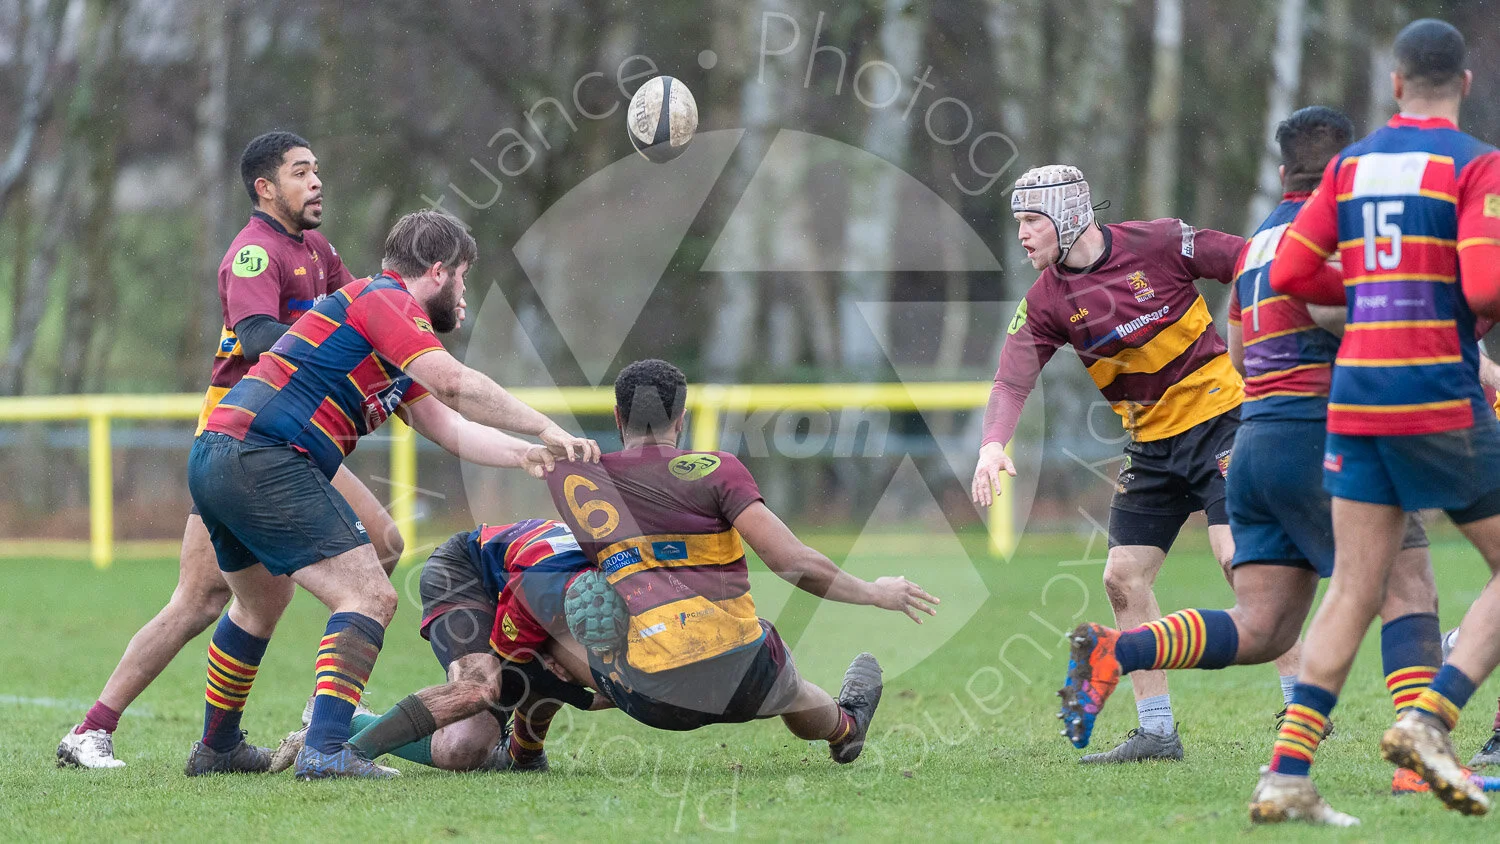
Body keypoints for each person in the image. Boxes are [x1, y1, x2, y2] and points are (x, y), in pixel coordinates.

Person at [1056, 106, 1446, 795]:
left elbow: (1239, 349)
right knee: (1406, 588)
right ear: (1349, 170)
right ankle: (1417, 769)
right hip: (1323, 435)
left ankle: (1126, 649)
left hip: (1256, 440)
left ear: (1280, 170)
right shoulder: (1345, 230)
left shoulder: (1263, 241)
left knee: (1263, 625)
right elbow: (1375, 322)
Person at [183, 209, 600, 780]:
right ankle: (326, 751)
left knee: (256, 605)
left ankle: (218, 747)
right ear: (437, 271)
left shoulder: (386, 339)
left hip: (219, 453)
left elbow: (451, 425)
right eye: (463, 278)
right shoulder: (382, 299)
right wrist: (546, 426)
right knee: (370, 598)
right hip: (266, 454)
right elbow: (457, 383)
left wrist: (526, 453)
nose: (463, 296)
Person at [57, 131, 404, 770]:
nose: (317, 182)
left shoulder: (318, 249)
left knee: (272, 591)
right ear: (265, 188)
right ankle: (92, 731)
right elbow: (258, 335)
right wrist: (339, 352)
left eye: (318, 170)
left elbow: (362, 315)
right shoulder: (252, 253)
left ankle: (229, 742)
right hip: (239, 440)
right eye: (302, 173)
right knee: (201, 599)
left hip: (283, 443)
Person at [1246, 19, 1500, 824]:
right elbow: (1487, 289)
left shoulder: (1351, 166)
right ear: (1463, 84)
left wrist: (1369, 290)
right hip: (1434, 395)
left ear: (1394, 84)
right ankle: (1430, 718)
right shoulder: (1474, 164)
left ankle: (1286, 778)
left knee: (1353, 589)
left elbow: (1290, 271)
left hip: (1353, 400)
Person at [971, 165, 1289, 763]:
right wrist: (993, 444)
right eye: (1018, 224)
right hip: (1150, 447)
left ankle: (1302, 708)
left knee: (1238, 561)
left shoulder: (1161, 242)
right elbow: (1010, 382)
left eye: (1031, 222)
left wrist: (1267, 339)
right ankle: (1157, 731)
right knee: (1122, 578)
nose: (1022, 236)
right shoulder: (1045, 301)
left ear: (1067, 217)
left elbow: (1251, 263)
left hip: (1223, 423)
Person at [551, 359, 937, 762]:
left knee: (539, 636)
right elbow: (792, 561)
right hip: (745, 678)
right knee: (785, 676)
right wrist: (875, 592)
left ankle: (524, 746)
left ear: (617, 416)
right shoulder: (718, 471)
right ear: (681, 419)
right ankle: (844, 727)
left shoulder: (574, 476)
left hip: (649, 696)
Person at [267, 518, 605, 773]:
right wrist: (585, 693)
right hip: (464, 572)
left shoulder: (631, 578)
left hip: (526, 595)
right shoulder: (549, 582)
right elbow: (526, 660)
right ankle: (333, 740)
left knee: (464, 748)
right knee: (479, 688)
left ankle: (522, 754)